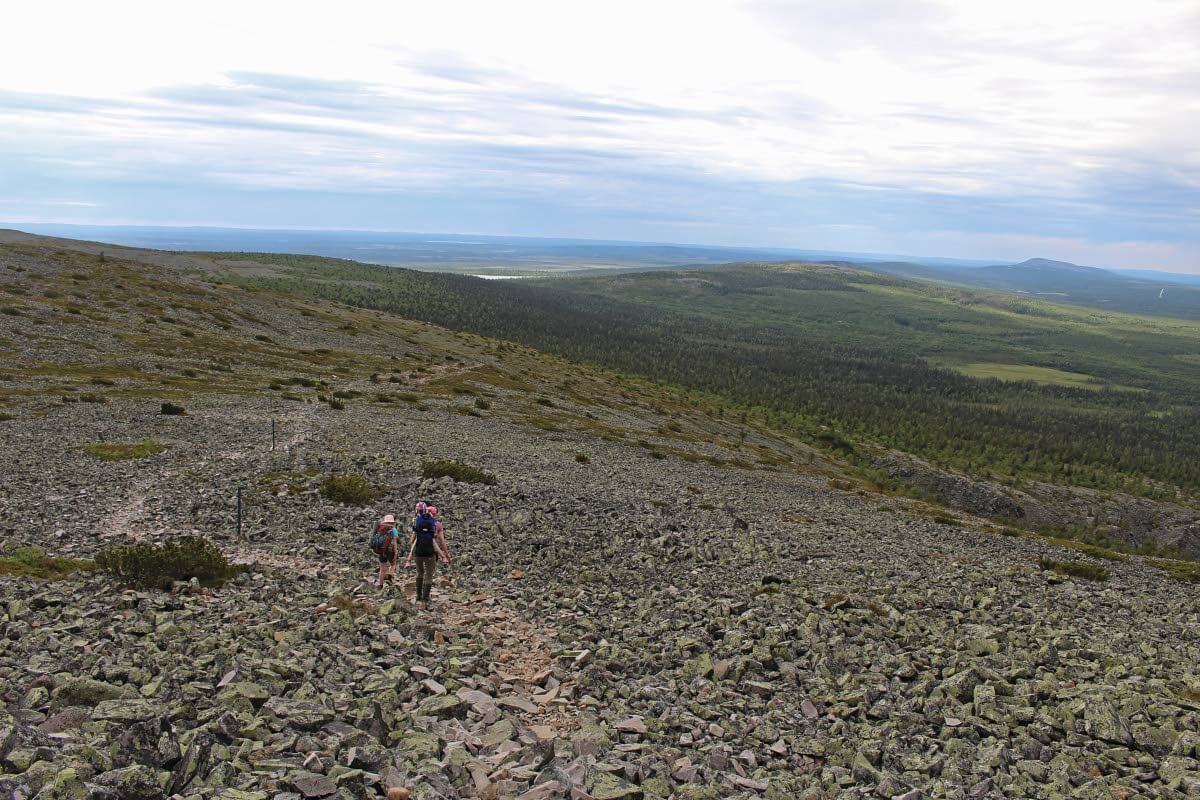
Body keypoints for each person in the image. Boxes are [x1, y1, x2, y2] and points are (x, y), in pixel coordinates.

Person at [405, 502, 450, 606]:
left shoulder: (417, 521)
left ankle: (418, 596)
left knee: (419, 572)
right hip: (430, 552)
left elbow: (412, 540)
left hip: (418, 552)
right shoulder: (436, 523)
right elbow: (441, 542)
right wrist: (446, 555)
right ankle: (425, 599)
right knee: (429, 575)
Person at [371, 514, 401, 589]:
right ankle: (389, 576)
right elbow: (395, 542)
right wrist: (396, 552)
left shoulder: (380, 528)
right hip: (390, 551)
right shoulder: (393, 529)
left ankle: (380, 585)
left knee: (382, 568)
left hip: (381, 550)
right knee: (393, 564)